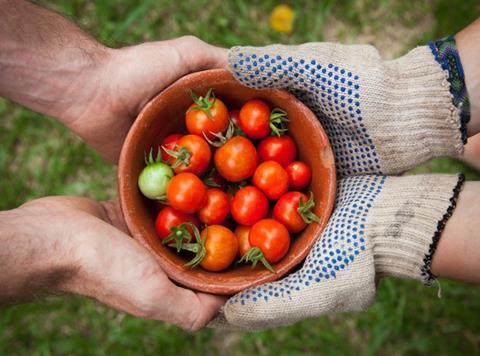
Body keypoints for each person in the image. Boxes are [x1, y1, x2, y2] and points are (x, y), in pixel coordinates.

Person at [1, 0, 479, 332]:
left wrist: (413, 95)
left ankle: (448, 123)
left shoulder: (212, 166)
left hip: (258, 190)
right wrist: (57, 249)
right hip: (254, 200)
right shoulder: (209, 198)